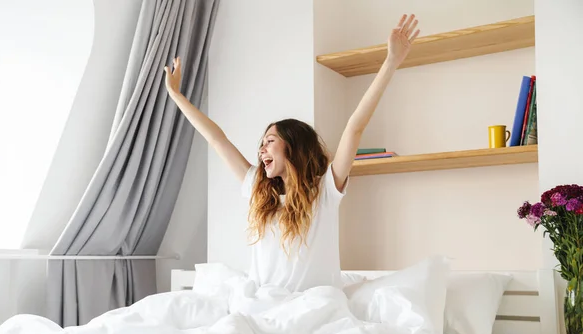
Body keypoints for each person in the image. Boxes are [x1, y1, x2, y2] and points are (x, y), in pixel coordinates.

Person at [164, 14, 420, 293]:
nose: (261, 149)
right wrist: (177, 96)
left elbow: (355, 127)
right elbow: (216, 139)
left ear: (293, 147)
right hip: (262, 308)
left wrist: (391, 61)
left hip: (311, 309)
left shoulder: (325, 191)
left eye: (270, 141)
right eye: (261, 143)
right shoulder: (257, 188)